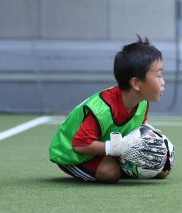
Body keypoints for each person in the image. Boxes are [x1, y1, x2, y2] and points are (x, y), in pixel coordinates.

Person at [49, 36, 169, 183]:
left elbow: (134, 133)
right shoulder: (102, 111)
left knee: (162, 168)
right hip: (74, 154)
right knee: (110, 173)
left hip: (107, 148)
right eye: (159, 76)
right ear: (136, 84)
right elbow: (80, 145)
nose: (163, 82)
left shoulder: (142, 102)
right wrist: (120, 147)